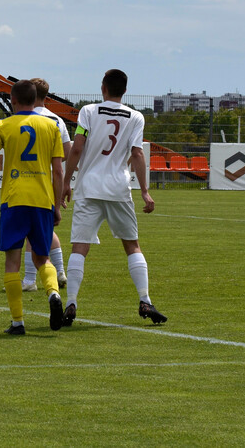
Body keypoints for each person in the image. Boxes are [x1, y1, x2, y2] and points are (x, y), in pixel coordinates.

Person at [60, 69, 167, 326]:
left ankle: (71, 302)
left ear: (103, 88)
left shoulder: (88, 111)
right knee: (132, 245)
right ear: (125, 91)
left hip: (89, 188)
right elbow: (138, 154)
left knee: (79, 247)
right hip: (119, 188)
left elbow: (77, 148)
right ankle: (145, 300)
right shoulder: (135, 116)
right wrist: (144, 190)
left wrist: (66, 181)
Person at [0, 79, 64, 335]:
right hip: (42, 200)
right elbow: (58, 171)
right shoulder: (52, 125)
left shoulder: (3, 126)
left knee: (12, 262)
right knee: (42, 257)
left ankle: (17, 322)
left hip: (14, 200)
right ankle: (54, 294)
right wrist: (56, 205)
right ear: (36, 100)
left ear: (12, 100)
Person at [21, 78, 70, 291]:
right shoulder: (57, 120)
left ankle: (30, 280)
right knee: (45, 229)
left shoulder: (23, 119)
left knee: (29, 230)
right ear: (47, 96)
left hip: (30, 181)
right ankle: (59, 271)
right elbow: (67, 152)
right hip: (52, 180)